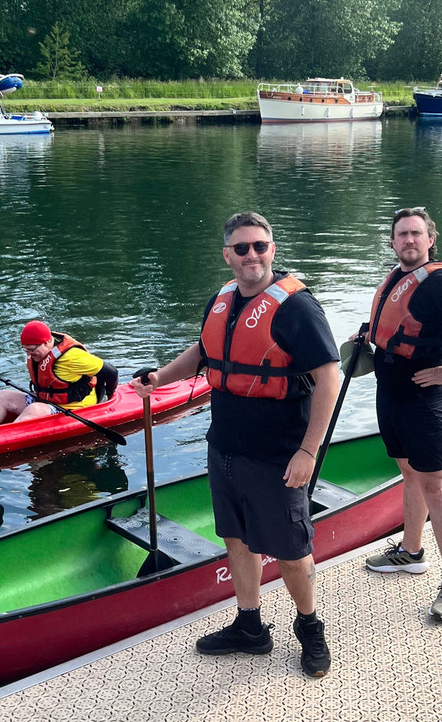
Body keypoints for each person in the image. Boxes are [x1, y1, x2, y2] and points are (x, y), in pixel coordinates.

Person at [133, 211, 339, 678]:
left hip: (280, 453)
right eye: (242, 248)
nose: (253, 255)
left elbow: (329, 377)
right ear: (227, 254)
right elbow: (205, 351)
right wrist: (160, 378)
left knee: (290, 550)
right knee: (236, 539)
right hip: (224, 444)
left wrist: (308, 452)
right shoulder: (222, 299)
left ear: (272, 249)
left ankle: (310, 628)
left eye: (261, 246)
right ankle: (250, 628)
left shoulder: (297, 307)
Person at [360, 207, 442, 622]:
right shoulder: (399, 276)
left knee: (436, 485)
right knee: (409, 474)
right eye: (402, 235)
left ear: (430, 239)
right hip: (391, 393)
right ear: (393, 241)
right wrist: (368, 332)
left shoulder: (440, 282)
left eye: (416, 234)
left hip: (424, 399)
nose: (409, 241)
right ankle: (411, 552)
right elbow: (395, 321)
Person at [0, 320, 118, 429]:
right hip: (46, 402)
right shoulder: (37, 353)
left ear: (47, 342)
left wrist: (108, 398)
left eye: (32, 350)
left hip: (72, 408)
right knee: (3, 396)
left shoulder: (72, 357)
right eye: (26, 350)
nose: (29, 355)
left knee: (34, 409)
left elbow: (111, 373)